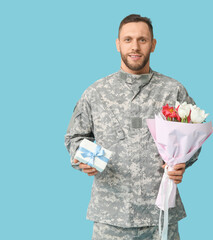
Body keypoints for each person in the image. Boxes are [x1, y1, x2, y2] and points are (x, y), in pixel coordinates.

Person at [65, 14, 201, 240]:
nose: (135, 47)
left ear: (153, 44)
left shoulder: (173, 91)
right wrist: (85, 159)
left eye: (142, 40)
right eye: (128, 40)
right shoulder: (96, 93)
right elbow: (74, 138)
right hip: (111, 217)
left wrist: (183, 162)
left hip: (160, 217)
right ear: (117, 44)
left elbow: (194, 140)